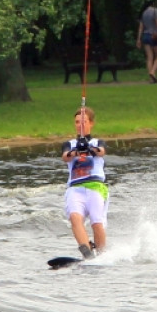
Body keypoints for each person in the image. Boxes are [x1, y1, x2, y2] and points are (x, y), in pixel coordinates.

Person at [61, 106, 108, 260]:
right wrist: (76, 151)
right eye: (76, 122)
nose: (80, 125)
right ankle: (87, 253)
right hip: (75, 188)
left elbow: (101, 151)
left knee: (96, 222)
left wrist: (87, 148)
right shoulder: (69, 144)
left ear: (91, 123)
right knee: (75, 218)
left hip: (95, 187)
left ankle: (101, 255)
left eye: (83, 122)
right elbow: (65, 157)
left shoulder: (97, 142)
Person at [136, 1, 157, 83]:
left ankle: (151, 78)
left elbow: (141, 27)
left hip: (145, 36)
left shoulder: (143, 13)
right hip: (154, 35)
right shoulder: (155, 11)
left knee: (149, 57)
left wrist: (138, 39)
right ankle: (153, 72)